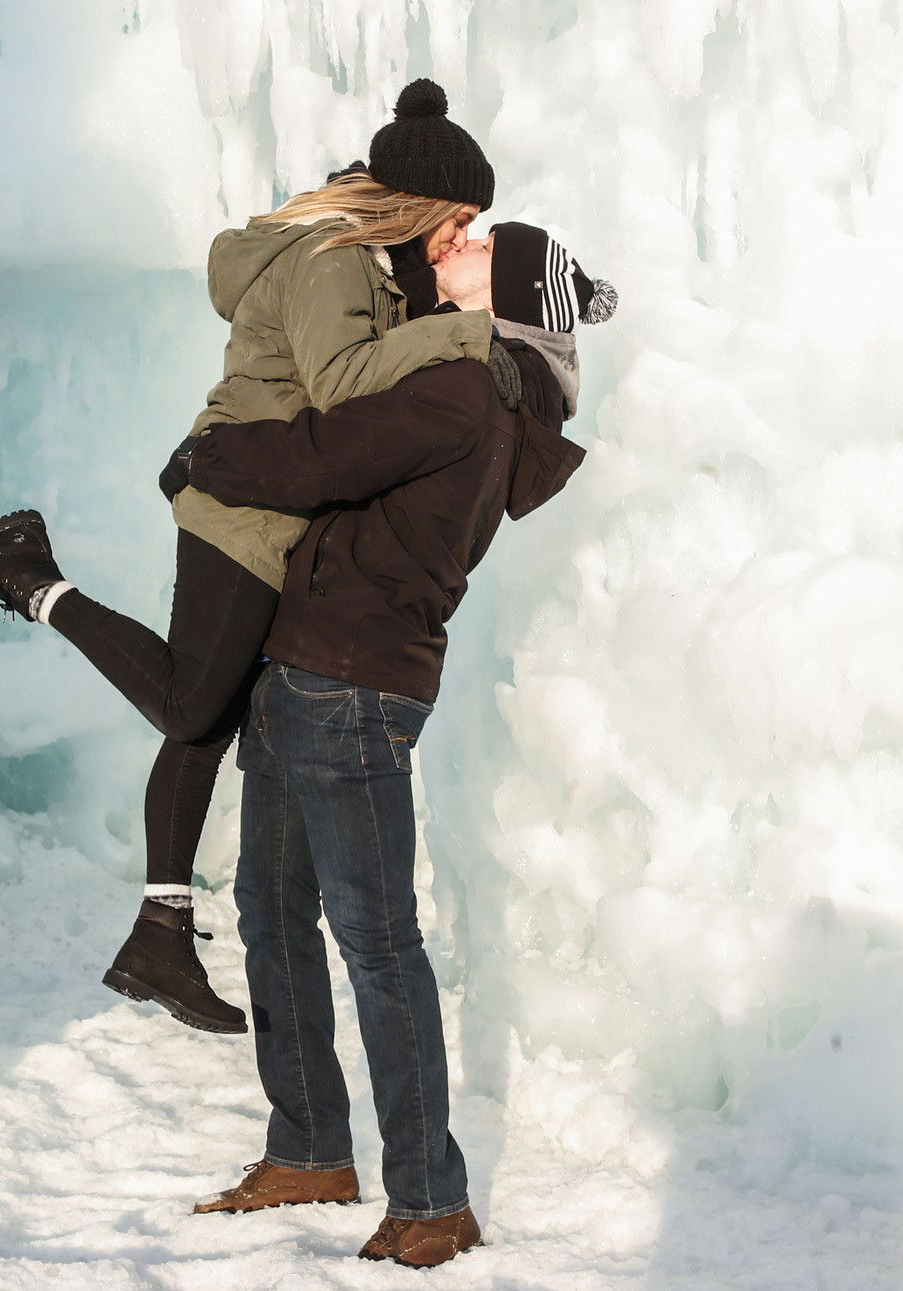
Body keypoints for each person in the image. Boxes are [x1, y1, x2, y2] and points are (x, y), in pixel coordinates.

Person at [0, 79, 504, 1033]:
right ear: (422, 201)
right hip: (240, 508)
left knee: (209, 718)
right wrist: (468, 326)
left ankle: (160, 936)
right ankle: (23, 573)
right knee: (191, 701)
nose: (463, 234)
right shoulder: (333, 262)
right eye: (461, 217)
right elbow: (346, 387)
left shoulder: (374, 268)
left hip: (269, 505)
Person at [181, 221, 609, 1267]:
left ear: (502, 285)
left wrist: (214, 455)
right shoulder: (465, 372)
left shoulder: (470, 390)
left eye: (478, 244)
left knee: (377, 942)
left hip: (351, 683)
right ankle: (312, 1145)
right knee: (269, 909)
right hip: (306, 663)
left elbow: (328, 450)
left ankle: (430, 1197)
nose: (452, 246)